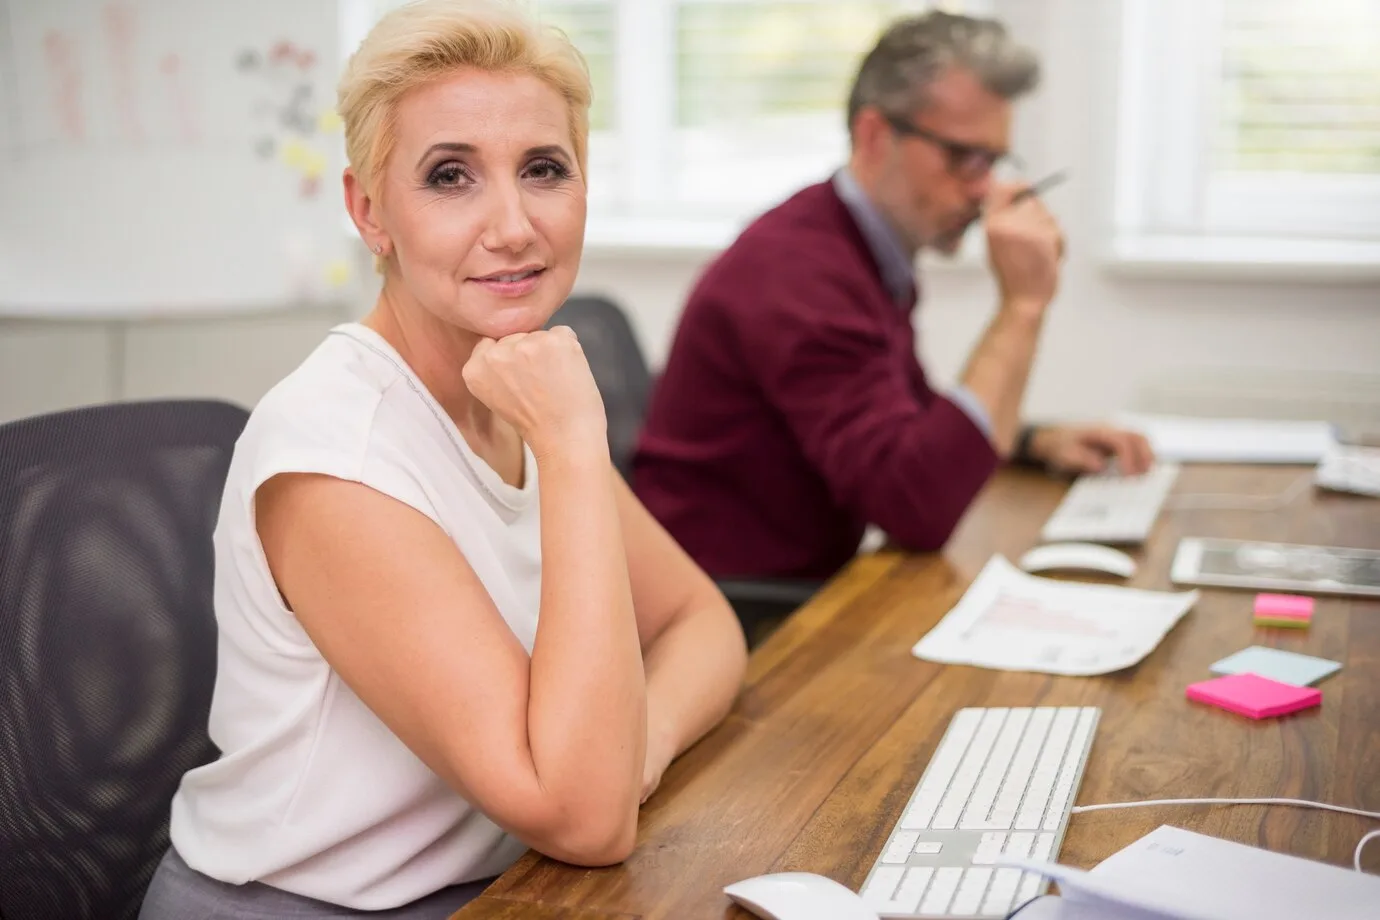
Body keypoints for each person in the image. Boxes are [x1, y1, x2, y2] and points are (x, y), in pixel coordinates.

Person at [139, 2, 748, 917]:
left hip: (500, 886)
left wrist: (636, 749)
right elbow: (585, 820)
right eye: (450, 176)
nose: (512, 225)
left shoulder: (514, 386)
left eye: (544, 169)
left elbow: (703, 621)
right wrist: (576, 449)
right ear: (368, 210)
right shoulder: (336, 457)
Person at [631, 11, 1154, 584]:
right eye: (964, 158)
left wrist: (1034, 439)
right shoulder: (799, 275)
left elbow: (901, 413)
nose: (985, 189)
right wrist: (1022, 306)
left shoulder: (855, 242)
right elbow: (916, 507)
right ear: (876, 135)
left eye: (995, 162)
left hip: (797, 588)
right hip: (733, 609)